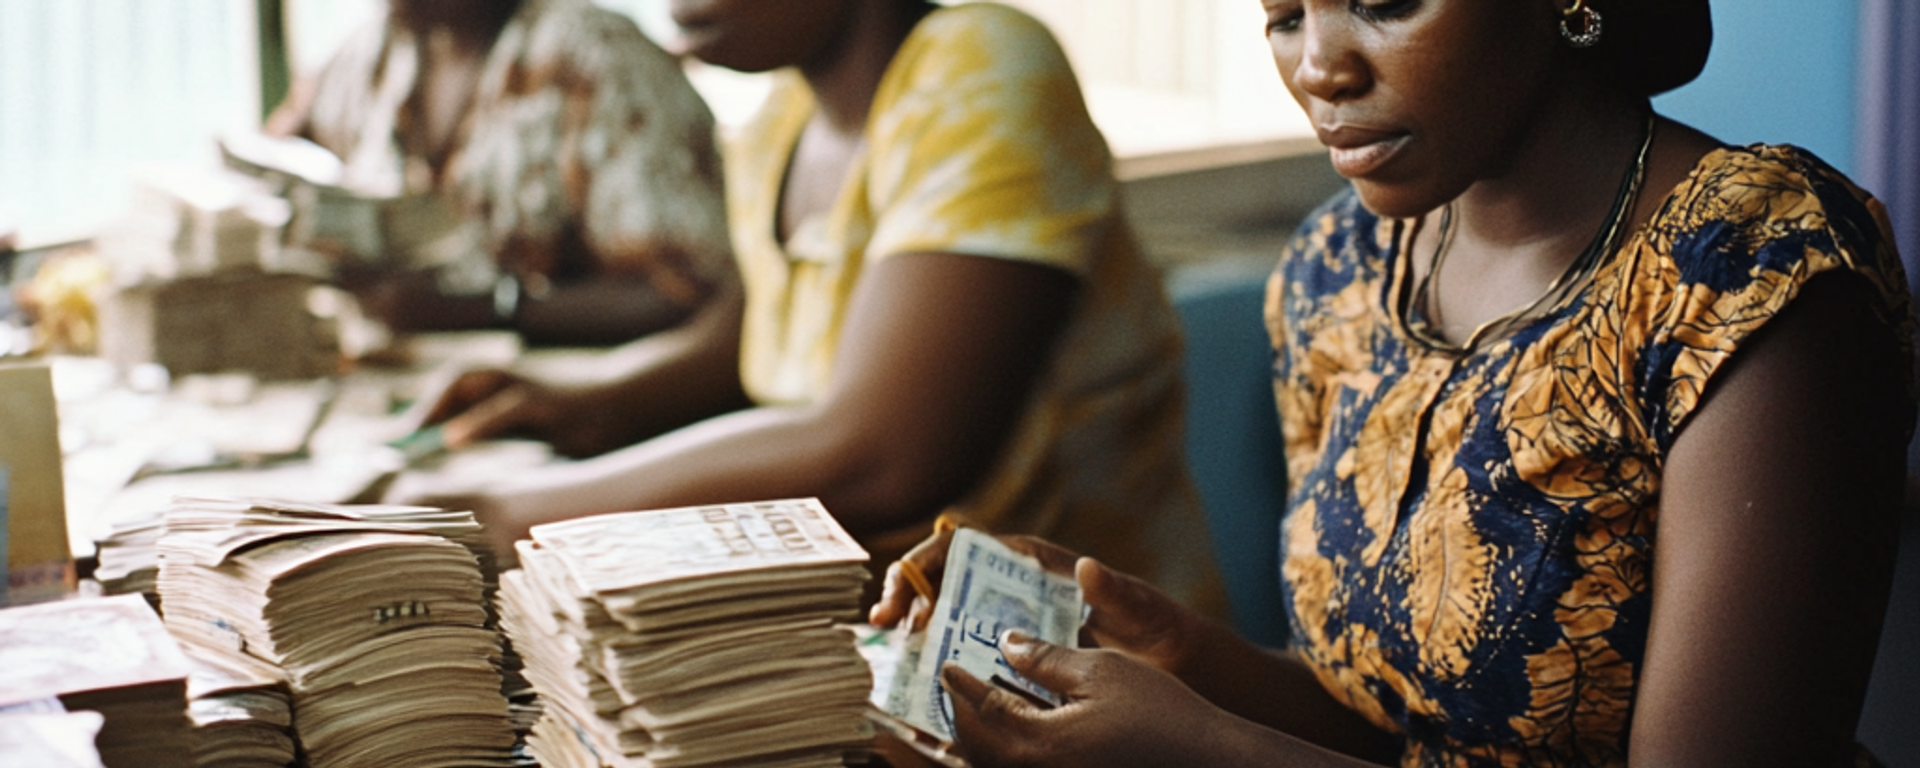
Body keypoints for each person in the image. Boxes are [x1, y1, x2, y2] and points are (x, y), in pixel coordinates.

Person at [869, 0, 1915, 766]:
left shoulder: (1752, 270)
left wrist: (1210, 753)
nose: (1319, 67)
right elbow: (1398, 729)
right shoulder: (1340, 269)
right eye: (1283, 15)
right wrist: (1178, 649)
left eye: (1382, 5)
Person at [393, 0, 1226, 614]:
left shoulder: (987, 68)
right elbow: (753, 337)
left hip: (1087, 662)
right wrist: (583, 401)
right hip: (876, 631)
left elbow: (882, 455)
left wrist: (506, 515)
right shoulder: (779, 123)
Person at [265, 0, 732, 346]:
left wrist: (480, 309)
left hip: (580, 408)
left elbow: (685, 292)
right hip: (405, 402)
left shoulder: (599, 57)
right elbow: (266, 180)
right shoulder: (366, 58)